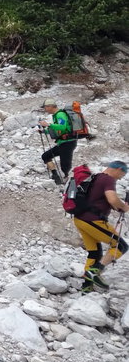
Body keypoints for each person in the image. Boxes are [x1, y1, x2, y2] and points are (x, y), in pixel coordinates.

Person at [73, 161, 129, 293]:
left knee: (95, 252)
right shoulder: (108, 179)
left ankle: (86, 287)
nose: (121, 178)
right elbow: (112, 199)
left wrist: (117, 207)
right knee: (121, 246)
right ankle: (95, 271)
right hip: (93, 221)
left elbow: (99, 201)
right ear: (119, 169)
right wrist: (124, 207)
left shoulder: (96, 177)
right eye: (123, 174)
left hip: (80, 219)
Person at [39, 98, 78, 184]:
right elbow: (58, 130)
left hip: (68, 142)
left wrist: (48, 124)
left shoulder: (60, 114)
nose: (45, 109)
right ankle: (56, 175)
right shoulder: (56, 115)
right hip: (63, 142)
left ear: (50, 106)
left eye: (45, 107)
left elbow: (62, 127)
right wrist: (44, 131)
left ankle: (67, 180)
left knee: (65, 163)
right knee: (46, 156)